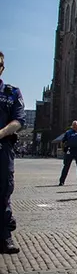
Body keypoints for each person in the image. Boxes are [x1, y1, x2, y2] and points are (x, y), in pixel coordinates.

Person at [0, 52, 25, 254]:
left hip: (2, 147)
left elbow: (19, 121)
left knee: (4, 192)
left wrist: (1, 133)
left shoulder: (11, 93)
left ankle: (5, 236)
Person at [58, 120, 77, 186]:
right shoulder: (68, 132)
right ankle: (62, 181)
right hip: (70, 151)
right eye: (74, 127)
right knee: (66, 166)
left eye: (76, 126)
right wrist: (63, 149)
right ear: (72, 126)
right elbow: (63, 142)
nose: (75, 128)